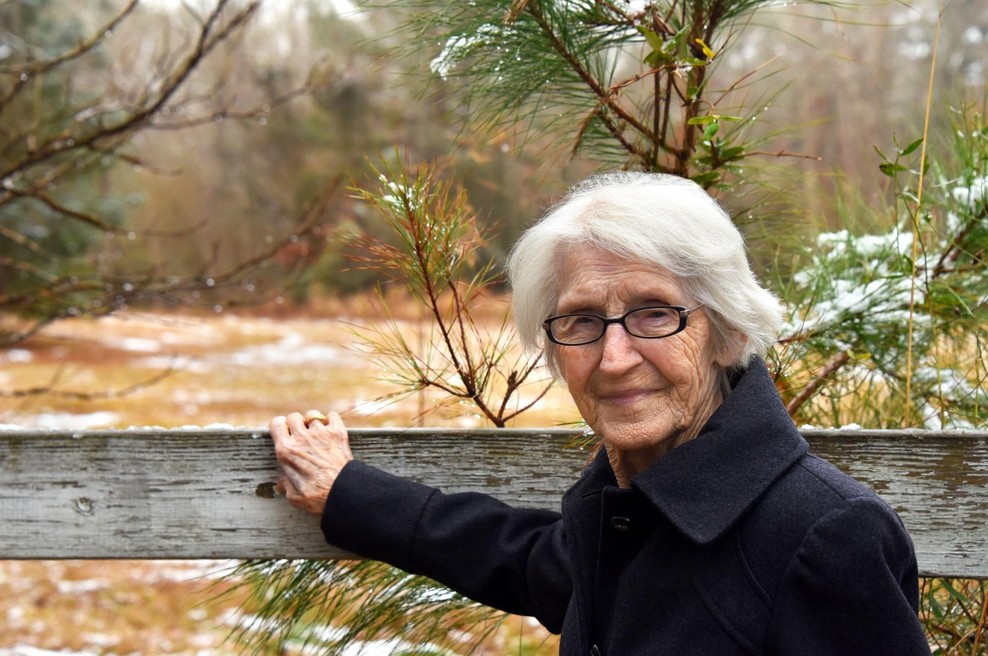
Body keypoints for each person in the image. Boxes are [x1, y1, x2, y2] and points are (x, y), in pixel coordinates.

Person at [270, 172, 930, 655]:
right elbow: (528, 561)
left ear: (727, 332)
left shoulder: (824, 534)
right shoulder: (631, 511)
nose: (614, 358)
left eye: (653, 312)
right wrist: (348, 494)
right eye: (582, 320)